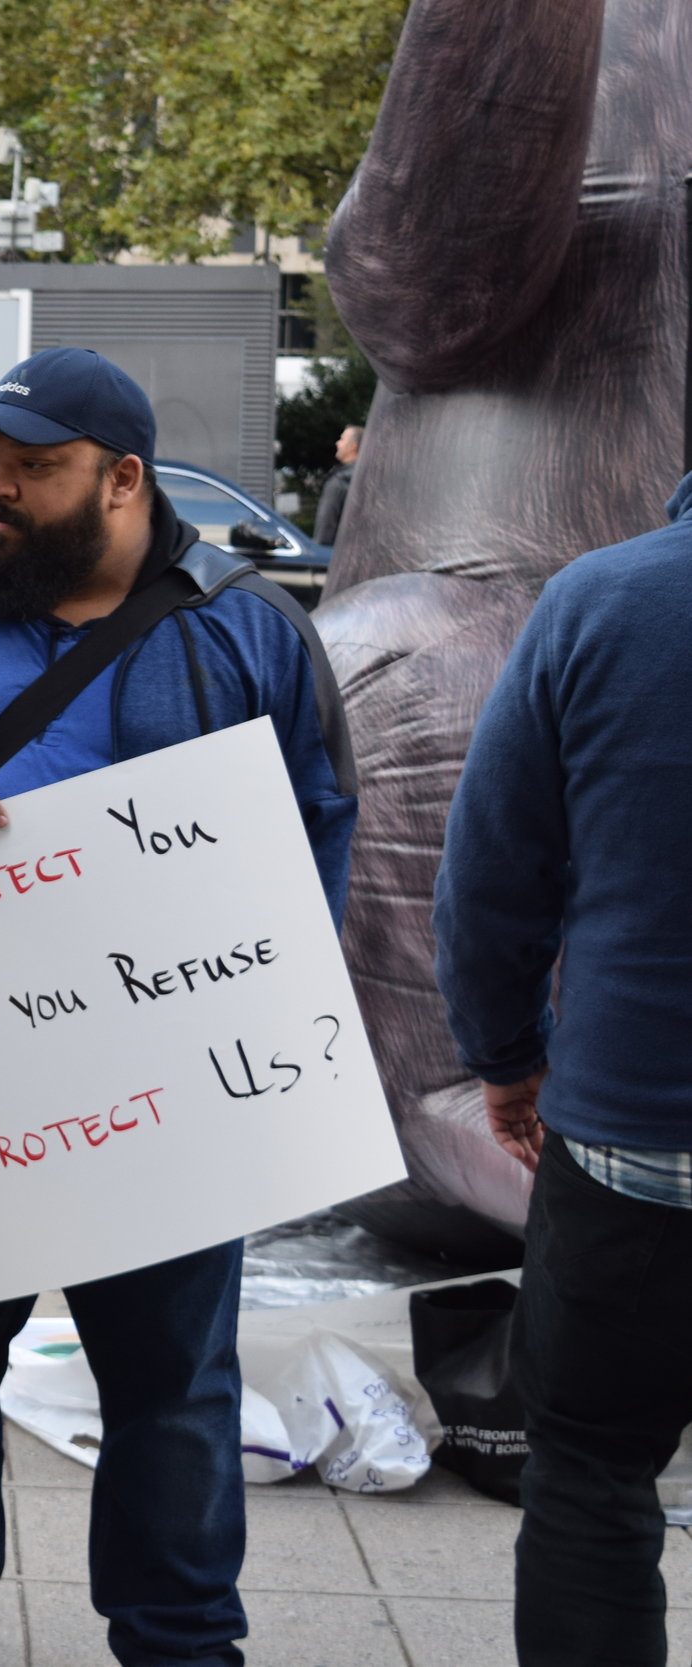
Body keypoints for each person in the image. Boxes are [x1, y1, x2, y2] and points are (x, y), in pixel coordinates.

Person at [0, 346, 356, 1667]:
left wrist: (267, 1040)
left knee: (173, 1393)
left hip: (164, 1082)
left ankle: (178, 1637)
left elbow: (320, 833)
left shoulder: (246, 625)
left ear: (125, 480)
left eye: (34, 467)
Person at [433, 471, 692, 1667]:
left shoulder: (604, 602)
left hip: (631, 1142)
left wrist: (503, 1056)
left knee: (589, 1476)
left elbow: (489, 875)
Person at [312, 424, 360, 546]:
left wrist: (320, 552)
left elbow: (326, 524)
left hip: (338, 554)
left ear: (353, 446)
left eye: (342, 439)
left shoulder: (339, 481)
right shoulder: (372, 479)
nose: (337, 443)